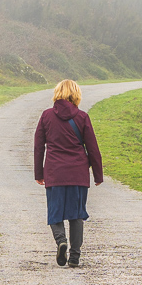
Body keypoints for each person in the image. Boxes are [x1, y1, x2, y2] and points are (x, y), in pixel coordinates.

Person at [34, 79, 103, 267]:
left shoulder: (46, 116)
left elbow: (39, 146)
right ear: (76, 95)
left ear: (57, 93)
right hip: (78, 174)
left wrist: (39, 173)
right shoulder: (82, 117)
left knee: (55, 212)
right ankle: (74, 256)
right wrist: (98, 175)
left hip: (55, 173)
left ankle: (61, 241)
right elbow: (93, 149)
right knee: (76, 214)